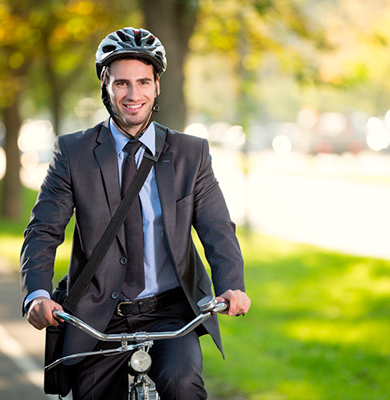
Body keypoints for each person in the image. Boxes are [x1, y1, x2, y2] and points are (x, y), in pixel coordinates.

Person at [20, 27, 250, 399]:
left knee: (183, 385)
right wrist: (37, 294)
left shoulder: (191, 154)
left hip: (170, 311)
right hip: (96, 315)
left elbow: (216, 227)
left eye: (143, 81)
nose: (133, 94)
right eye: (122, 83)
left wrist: (231, 284)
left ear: (157, 86)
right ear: (105, 86)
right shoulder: (73, 154)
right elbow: (43, 231)